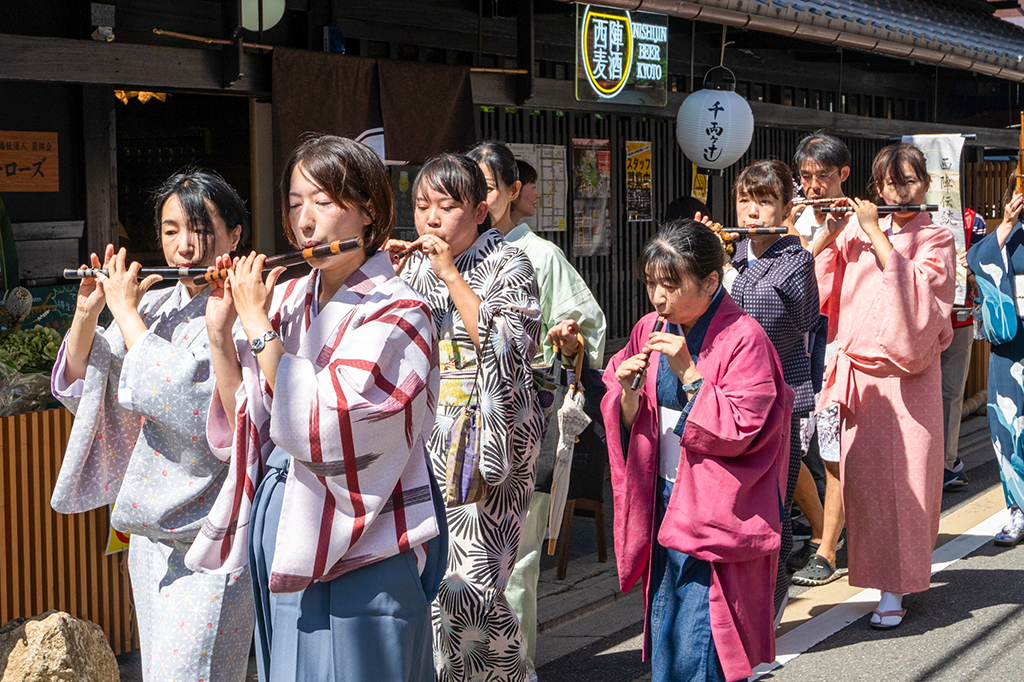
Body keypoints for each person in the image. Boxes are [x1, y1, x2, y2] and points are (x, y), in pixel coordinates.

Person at [186, 135, 445, 682]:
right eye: (296, 202)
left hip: (365, 535)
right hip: (286, 526)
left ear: (368, 210)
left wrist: (258, 329)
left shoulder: (402, 311)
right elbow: (247, 423)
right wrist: (220, 332)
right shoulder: (288, 299)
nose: (305, 220)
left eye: (324, 202)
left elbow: (332, 421)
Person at [50, 169, 255, 682]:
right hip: (152, 537)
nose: (184, 247)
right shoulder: (157, 307)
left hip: (213, 532)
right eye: (170, 230)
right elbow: (83, 385)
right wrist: (87, 314)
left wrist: (125, 314)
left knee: (196, 671)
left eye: (200, 229)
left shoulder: (247, 312)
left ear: (234, 235)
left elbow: (196, 406)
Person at [602, 219, 793, 682]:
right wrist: (627, 392)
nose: (658, 298)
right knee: (668, 633)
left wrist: (689, 374)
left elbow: (745, 428)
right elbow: (628, 410)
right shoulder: (650, 326)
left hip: (713, 511)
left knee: (700, 645)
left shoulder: (744, 337)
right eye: (651, 284)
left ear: (711, 280)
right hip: (664, 500)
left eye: (671, 285)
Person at [387, 153, 544, 682]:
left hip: (488, 444)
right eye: (421, 205)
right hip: (426, 439)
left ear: (481, 211)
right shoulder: (410, 266)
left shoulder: (510, 263)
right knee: (430, 583)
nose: (430, 219)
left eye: (447, 206)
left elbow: (508, 348)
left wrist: (450, 274)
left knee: (472, 585)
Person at [812, 143, 955, 629]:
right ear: (875, 189)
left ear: (925, 184)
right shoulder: (853, 230)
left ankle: (896, 587)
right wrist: (830, 237)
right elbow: (822, 293)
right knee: (868, 489)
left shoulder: (936, 239)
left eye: (910, 181)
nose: (900, 191)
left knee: (911, 485)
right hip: (862, 383)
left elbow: (922, 304)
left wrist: (876, 232)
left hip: (909, 380)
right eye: (891, 184)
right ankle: (880, 580)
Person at [486, 153, 608, 681]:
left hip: (521, 425)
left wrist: (568, 339)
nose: (475, 199)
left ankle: (517, 668)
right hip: (455, 436)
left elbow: (590, 329)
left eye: (486, 187)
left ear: (513, 190)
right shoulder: (444, 258)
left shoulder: (540, 255)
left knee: (513, 566)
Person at [728, 159, 820, 622]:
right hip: (734, 399)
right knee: (741, 502)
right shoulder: (732, 256)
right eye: (746, 200)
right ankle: (748, 599)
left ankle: (775, 594)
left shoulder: (797, 259)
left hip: (783, 396)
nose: (752, 212)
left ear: (786, 208)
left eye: (765, 201)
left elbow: (806, 321)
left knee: (776, 501)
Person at [789, 132, 851, 586]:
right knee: (791, 448)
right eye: (806, 176)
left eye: (823, 176)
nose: (812, 186)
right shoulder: (792, 217)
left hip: (833, 343)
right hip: (794, 345)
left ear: (843, 175)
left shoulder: (854, 222)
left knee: (832, 451)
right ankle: (818, 533)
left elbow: (818, 286)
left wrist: (810, 243)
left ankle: (827, 548)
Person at [966, 188, 1024, 545]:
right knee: (1009, 427)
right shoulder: (1008, 232)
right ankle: (1018, 509)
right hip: (1014, 342)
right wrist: (1006, 223)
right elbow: (976, 258)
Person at [940, 207, 988, 491]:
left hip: (959, 317)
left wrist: (970, 269)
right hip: (921, 319)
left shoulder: (974, 221)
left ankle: (946, 463)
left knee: (951, 394)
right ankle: (941, 463)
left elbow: (981, 268)